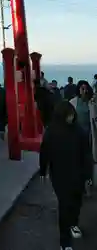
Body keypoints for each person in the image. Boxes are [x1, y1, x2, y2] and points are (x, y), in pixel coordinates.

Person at [40, 100, 92, 250]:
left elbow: (86, 154)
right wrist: (43, 170)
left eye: (72, 115)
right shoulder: (52, 131)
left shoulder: (79, 131)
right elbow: (45, 152)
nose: (71, 118)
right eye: (68, 115)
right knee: (65, 205)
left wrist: (88, 174)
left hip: (78, 173)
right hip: (60, 175)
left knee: (77, 201)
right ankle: (65, 242)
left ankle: (73, 223)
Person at [70, 80, 97, 176]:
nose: (84, 91)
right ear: (79, 90)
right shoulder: (73, 102)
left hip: (89, 132)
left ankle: (88, 175)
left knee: (89, 154)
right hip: (76, 132)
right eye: (82, 88)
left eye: (86, 88)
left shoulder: (92, 102)